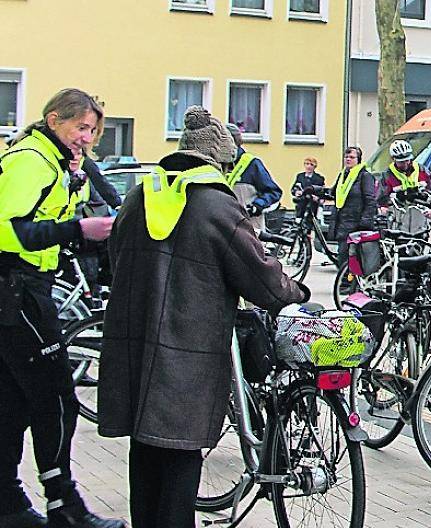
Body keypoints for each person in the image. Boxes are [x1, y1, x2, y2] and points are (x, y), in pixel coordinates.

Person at [98, 106, 308, 528]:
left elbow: (114, 256)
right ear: (218, 160)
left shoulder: (140, 195)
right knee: (180, 450)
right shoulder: (216, 205)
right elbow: (262, 281)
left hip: (133, 342)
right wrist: (297, 293)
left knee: (145, 446)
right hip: (188, 350)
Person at [0, 88, 124, 528]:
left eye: (93, 131)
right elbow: (11, 231)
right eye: (80, 127)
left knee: (12, 399)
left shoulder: (57, 162)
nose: (87, 138)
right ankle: (63, 505)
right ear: (54, 120)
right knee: (57, 398)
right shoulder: (30, 160)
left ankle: (9, 503)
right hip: (17, 290)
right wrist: (78, 229)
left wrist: (76, 181)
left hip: (26, 288)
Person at [224, 123, 283, 231]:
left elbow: (274, 192)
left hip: (250, 227)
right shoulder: (217, 164)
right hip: (224, 226)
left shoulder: (252, 164)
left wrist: (257, 206)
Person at [331, 146, 377, 269]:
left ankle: (348, 285)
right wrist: (315, 190)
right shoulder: (343, 175)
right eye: (346, 157)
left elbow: (370, 200)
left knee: (353, 259)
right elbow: (333, 192)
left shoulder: (365, 176)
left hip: (356, 224)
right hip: (343, 223)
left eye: (351, 157)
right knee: (343, 257)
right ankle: (345, 285)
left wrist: (365, 222)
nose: (348, 159)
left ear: (358, 159)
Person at [378, 139, 431, 206]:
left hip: (423, 210)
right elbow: (382, 200)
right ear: (393, 159)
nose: (405, 164)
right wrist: (399, 197)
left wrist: (424, 194)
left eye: (407, 160)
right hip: (400, 213)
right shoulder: (387, 176)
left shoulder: (422, 170)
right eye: (401, 162)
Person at [291, 156, 325, 223]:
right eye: (307, 164)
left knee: (311, 223)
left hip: (313, 205)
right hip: (301, 205)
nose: (309, 166)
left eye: (311, 164)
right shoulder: (300, 176)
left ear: (314, 167)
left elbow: (322, 192)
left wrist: (318, 198)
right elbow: (293, 188)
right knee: (298, 222)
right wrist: (296, 192)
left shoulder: (319, 178)